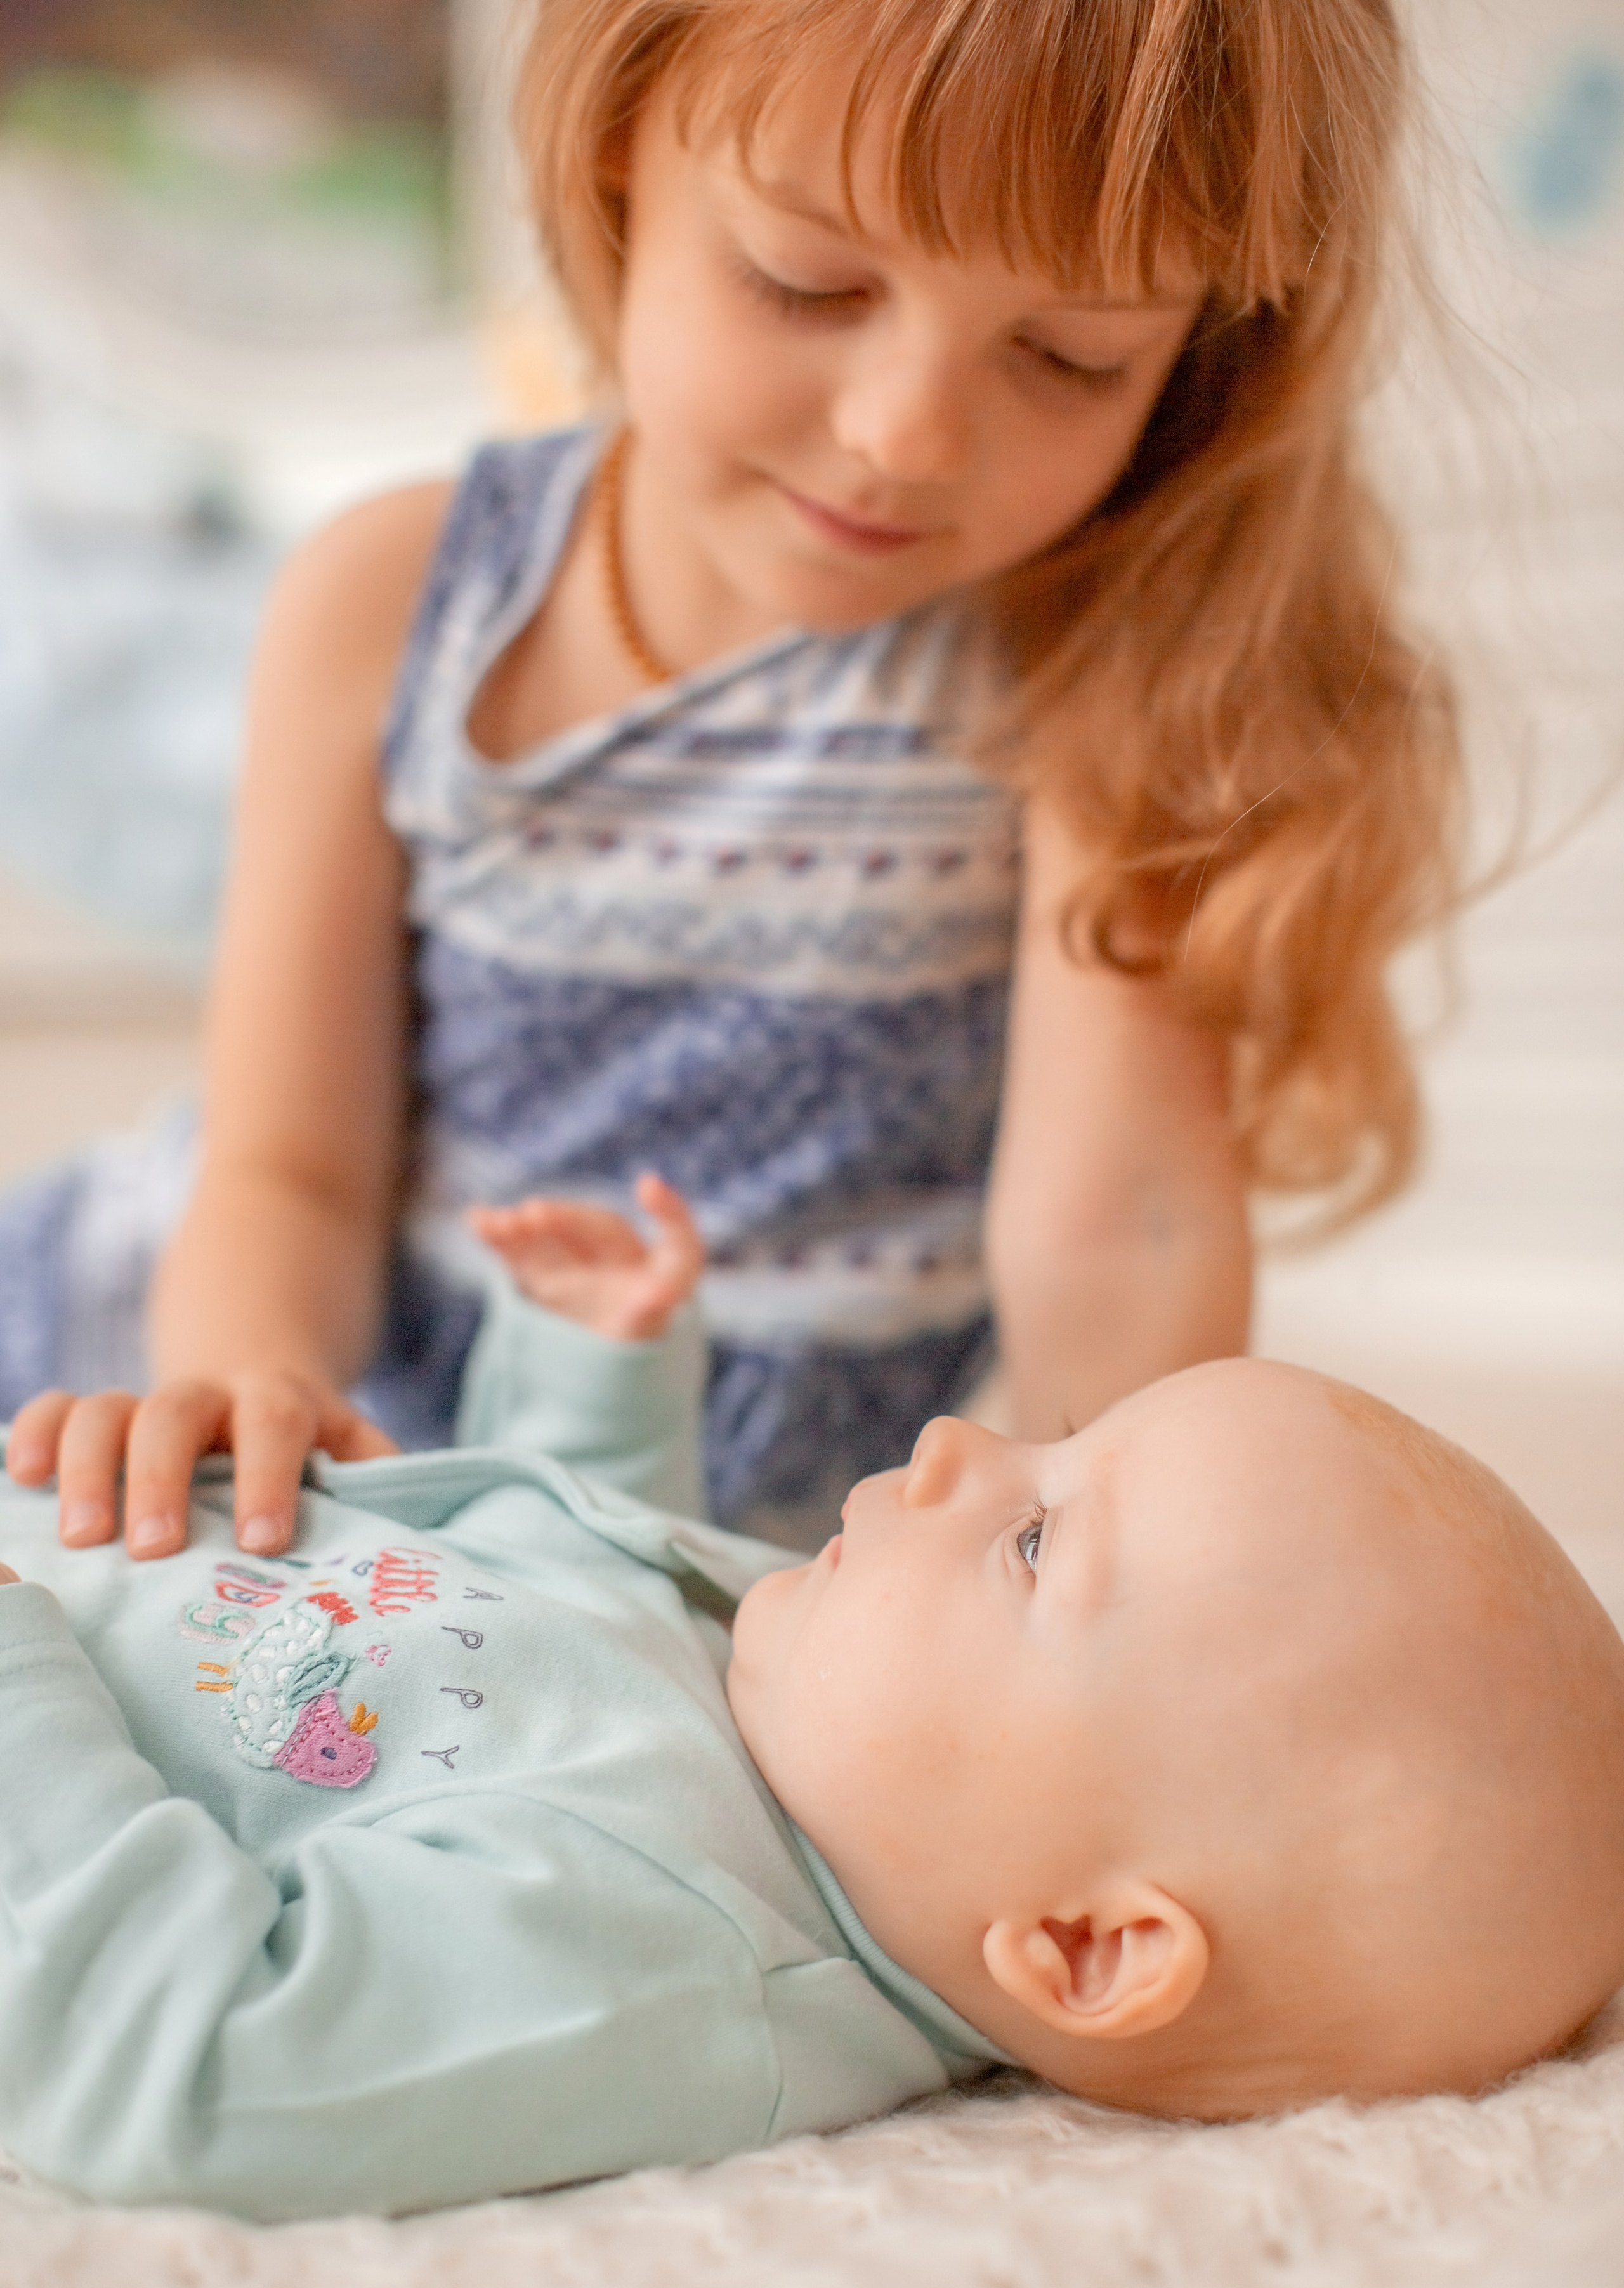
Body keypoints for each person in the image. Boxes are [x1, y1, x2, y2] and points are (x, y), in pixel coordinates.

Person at [0, 0, 1462, 1555]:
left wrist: (1120, 1594)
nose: (904, 433)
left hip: (736, 1552)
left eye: (1066, 354)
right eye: (806, 280)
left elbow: (1118, 1240)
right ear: (620, 161)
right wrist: (250, 1395)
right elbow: (284, 1163)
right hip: (308, 1413)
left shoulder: (1097, 673)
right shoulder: (397, 603)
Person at [2, 1182, 1623, 2223]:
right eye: (1050, 1435)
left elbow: (191, 2059)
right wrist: (591, 1390)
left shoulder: (655, 1954)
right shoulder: (816, 1724)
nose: (952, 1445)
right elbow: (536, 1650)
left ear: (1080, 1943)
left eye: (1038, 1534)